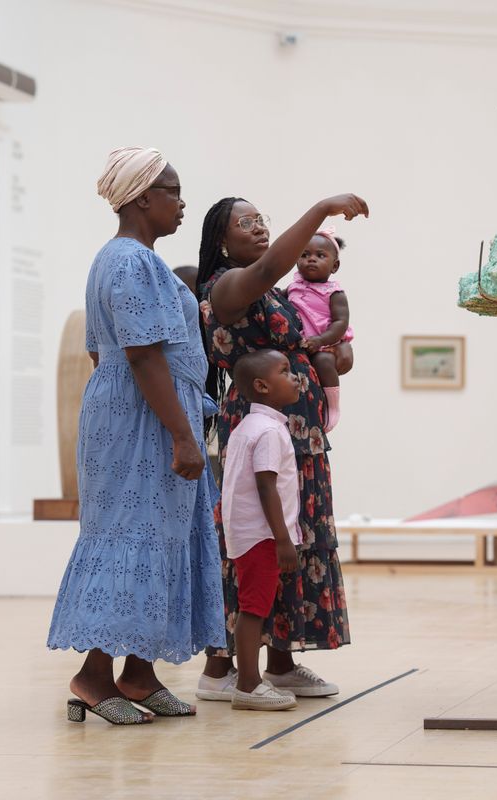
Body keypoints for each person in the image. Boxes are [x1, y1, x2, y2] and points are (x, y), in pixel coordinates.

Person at [47, 146, 225, 725]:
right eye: (172, 191)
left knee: (163, 541)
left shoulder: (134, 261)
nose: (180, 203)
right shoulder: (129, 263)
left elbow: (104, 352)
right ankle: (94, 676)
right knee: (131, 539)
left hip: (143, 413)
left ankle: (141, 675)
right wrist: (181, 434)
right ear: (143, 198)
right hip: (143, 422)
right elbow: (143, 356)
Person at [193, 192, 368, 702]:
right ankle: (222, 667)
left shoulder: (275, 294)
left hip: (300, 431)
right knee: (256, 542)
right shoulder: (226, 287)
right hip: (261, 427)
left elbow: (305, 342)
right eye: (245, 223)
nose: (259, 227)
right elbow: (272, 265)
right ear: (222, 243)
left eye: (260, 219)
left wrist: (331, 357)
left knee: (294, 537)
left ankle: (281, 660)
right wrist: (322, 209)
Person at [221, 350, 304, 710]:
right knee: (253, 608)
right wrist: (283, 538)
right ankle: (249, 685)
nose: (296, 376)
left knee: (253, 605)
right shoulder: (269, 431)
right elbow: (266, 485)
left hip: (249, 532)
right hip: (262, 535)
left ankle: (249, 681)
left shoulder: (248, 426)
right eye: (285, 371)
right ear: (262, 386)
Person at [287, 229, 353, 431]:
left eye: (320, 255)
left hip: (326, 344)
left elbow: (340, 323)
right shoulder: (293, 287)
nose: (311, 260)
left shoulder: (334, 292)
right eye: (305, 255)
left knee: (323, 362)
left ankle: (332, 406)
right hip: (303, 347)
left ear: (335, 266)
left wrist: (321, 340)